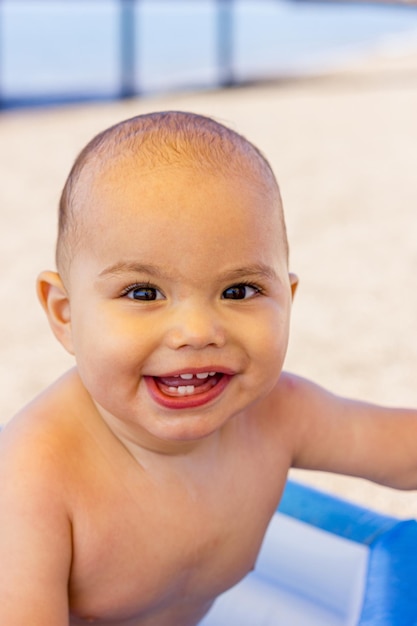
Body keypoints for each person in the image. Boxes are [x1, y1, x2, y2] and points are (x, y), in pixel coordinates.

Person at [0, 110, 416, 626]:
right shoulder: (33, 476)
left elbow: (405, 451)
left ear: (286, 299)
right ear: (65, 314)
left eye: (239, 291)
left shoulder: (280, 414)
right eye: (143, 292)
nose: (197, 331)